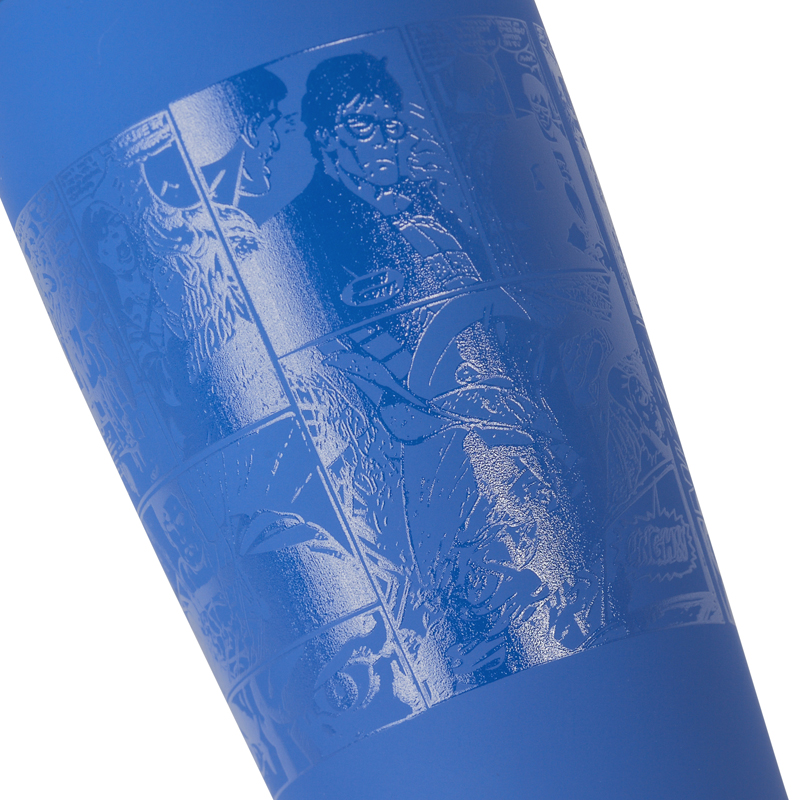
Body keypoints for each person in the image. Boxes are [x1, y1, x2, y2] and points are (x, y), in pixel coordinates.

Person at [265, 52, 603, 699]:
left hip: (509, 419)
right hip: (423, 446)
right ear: (328, 140)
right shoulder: (303, 233)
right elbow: (319, 362)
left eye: (393, 125)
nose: (386, 140)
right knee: (481, 606)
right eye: (365, 127)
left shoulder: (426, 209)